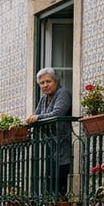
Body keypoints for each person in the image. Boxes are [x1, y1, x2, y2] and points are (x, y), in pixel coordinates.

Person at [26, 67, 73, 198]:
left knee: (60, 178)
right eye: (42, 83)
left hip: (63, 143)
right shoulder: (43, 99)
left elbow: (58, 113)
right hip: (50, 146)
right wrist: (33, 119)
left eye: (48, 81)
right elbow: (35, 115)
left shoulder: (62, 93)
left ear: (56, 81)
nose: (45, 85)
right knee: (50, 179)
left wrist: (38, 118)